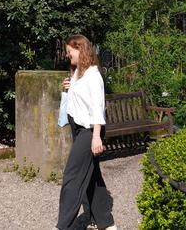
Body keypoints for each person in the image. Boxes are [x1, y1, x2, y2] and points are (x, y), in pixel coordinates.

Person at [56, 34, 117, 230]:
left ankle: (62, 226)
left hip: (90, 130)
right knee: (92, 176)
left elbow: (97, 108)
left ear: (80, 50)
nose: (67, 55)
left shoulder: (93, 75)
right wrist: (69, 87)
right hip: (79, 130)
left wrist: (96, 136)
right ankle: (106, 223)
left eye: (69, 52)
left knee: (71, 177)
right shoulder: (77, 74)